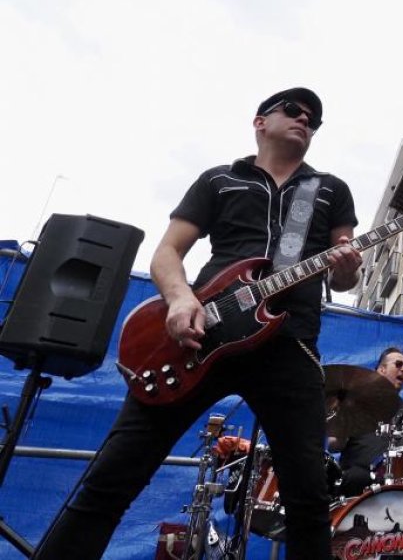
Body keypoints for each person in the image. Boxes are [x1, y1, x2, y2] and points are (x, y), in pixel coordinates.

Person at [34, 88, 361, 560]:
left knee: (308, 500)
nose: (305, 119)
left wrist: (348, 267)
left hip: (289, 345)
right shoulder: (219, 179)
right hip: (200, 334)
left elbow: (346, 274)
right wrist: (179, 299)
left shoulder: (330, 188)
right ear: (260, 121)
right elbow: (167, 252)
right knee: (112, 478)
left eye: (314, 120)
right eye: (293, 110)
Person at [336, 347, 403, 496]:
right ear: (381, 370)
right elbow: (334, 445)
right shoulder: (356, 400)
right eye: (398, 364)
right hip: (358, 479)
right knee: (355, 477)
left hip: (394, 483)